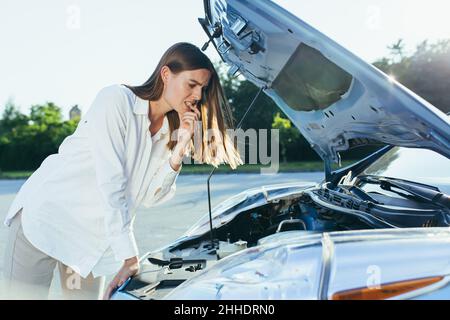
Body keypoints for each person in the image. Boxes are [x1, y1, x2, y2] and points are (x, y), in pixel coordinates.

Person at [2, 42, 242, 300]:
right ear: (165, 75)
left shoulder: (167, 133)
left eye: (202, 88)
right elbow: (112, 183)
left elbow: (149, 197)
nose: (197, 95)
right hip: (44, 221)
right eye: (192, 84)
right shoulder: (115, 101)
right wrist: (129, 257)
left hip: (86, 242)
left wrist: (179, 149)